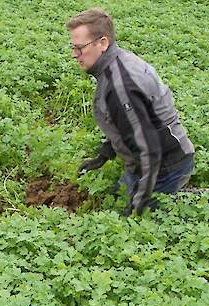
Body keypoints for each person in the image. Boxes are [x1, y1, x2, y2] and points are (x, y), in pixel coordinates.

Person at [68, 8, 195, 216]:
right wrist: (106, 153)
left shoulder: (121, 86)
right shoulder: (116, 63)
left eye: (79, 48)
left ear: (102, 43)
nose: (75, 55)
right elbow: (128, 123)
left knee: (138, 223)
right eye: (73, 47)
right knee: (115, 197)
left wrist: (140, 202)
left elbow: (150, 151)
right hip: (147, 162)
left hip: (165, 168)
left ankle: (187, 197)